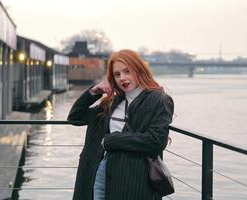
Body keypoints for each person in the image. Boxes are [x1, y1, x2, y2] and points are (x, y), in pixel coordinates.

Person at [67, 49, 174, 200]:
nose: (122, 78)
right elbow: (75, 117)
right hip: (98, 173)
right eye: (117, 75)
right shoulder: (112, 101)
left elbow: (156, 141)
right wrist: (93, 92)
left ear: (138, 70)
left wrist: (111, 140)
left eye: (127, 71)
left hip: (132, 180)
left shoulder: (158, 99)